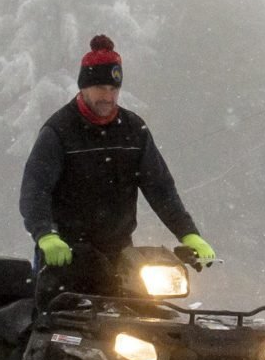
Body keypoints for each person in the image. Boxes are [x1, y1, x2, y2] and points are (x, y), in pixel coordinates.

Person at [18, 34, 216, 295]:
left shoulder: (134, 130)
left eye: (114, 89)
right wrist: (46, 235)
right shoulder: (59, 131)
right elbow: (35, 190)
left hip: (122, 258)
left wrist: (188, 234)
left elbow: (160, 189)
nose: (108, 96)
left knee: (139, 327)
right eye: (100, 88)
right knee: (62, 327)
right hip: (65, 259)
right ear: (83, 87)